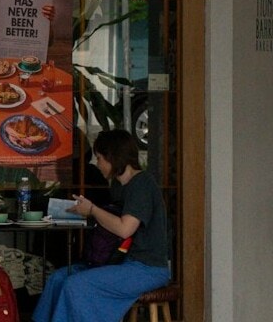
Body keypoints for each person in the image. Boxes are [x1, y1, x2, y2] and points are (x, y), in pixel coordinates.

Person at [33, 130, 170, 322]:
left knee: (76, 285)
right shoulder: (118, 185)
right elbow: (109, 219)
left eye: (99, 158)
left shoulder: (142, 184)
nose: (97, 163)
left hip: (146, 268)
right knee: (58, 278)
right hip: (116, 262)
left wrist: (93, 210)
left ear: (113, 157)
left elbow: (125, 228)